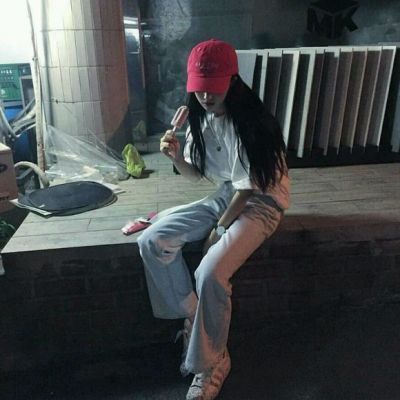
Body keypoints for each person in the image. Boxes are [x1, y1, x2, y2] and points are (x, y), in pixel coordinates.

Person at [138, 38, 290, 400]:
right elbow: (197, 176)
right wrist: (176, 157)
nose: (206, 96)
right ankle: (195, 316)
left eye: (214, 87)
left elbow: (249, 190)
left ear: (232, 80)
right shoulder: (202, 117)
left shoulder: (252, 124)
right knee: (152, 240)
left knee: (210, 271)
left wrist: (219, 229)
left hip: (263, 201)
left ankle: (213, 361)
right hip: (227, 193)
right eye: (199, 88)